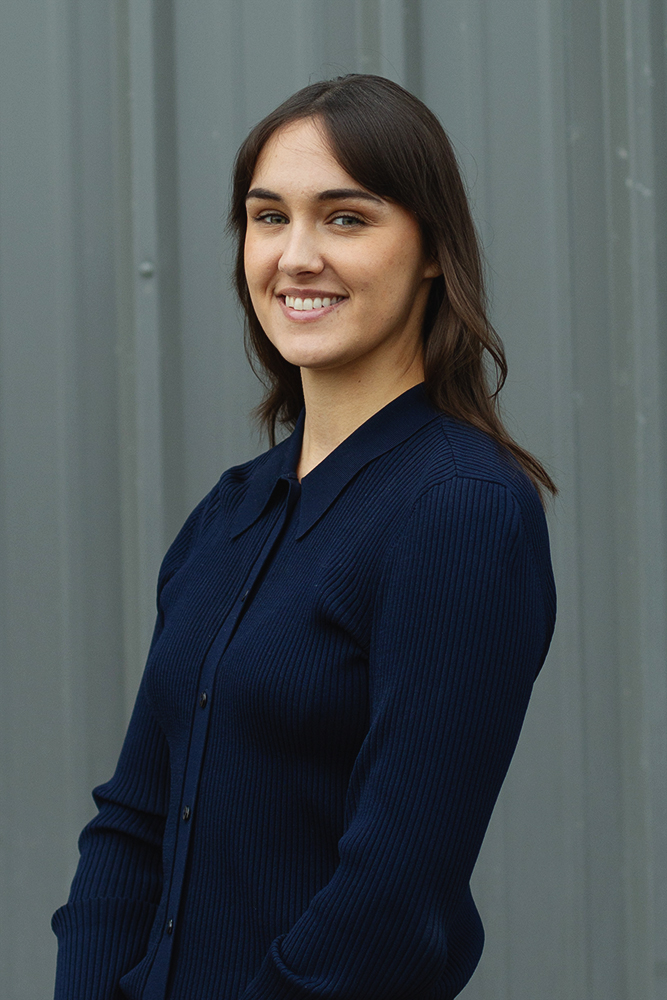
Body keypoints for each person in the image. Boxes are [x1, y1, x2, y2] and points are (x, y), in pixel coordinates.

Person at [52, 74, 556, 1000]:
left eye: (345, 218)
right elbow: (132, 822)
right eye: (267, 216)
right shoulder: (231, 511)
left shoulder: (462, 510)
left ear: (433, 249)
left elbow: (396, 892)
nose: (294, 256)